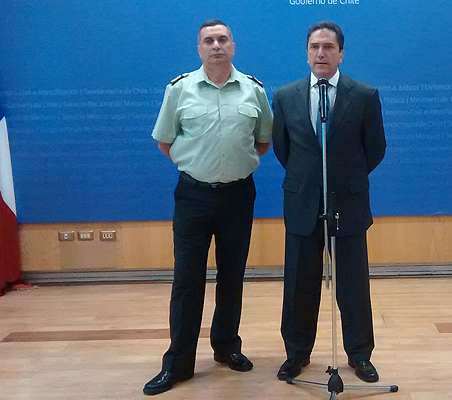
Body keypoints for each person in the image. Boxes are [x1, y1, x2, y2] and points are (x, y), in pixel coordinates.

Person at [143, 19, 272, 396]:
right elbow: (165, 141)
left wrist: (231, 167)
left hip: (238, 196)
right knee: (187, 279)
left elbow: (262, 141)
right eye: (209, 40)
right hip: (193, 196)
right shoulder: (179, 89)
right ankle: (178, 363)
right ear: (199, 49)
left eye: (223, 39)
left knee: (232, 275)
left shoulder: (253, 90)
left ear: (233, 46)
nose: (216, 45)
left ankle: (227, 346)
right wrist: (197, 167)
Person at [271, 21, 386, 383]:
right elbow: (283, 149)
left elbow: (375, 149)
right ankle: (297, 353)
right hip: (302, 203)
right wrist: (310, 179)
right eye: (315, 47)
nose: (321, 53)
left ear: (341, 54)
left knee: (353, 285)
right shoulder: (285, 96)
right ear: (307, 53)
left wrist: (342, 179)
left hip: (348, 204)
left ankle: (359, 354)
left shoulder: (364, 95)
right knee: (299, 285)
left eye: (328, 47)